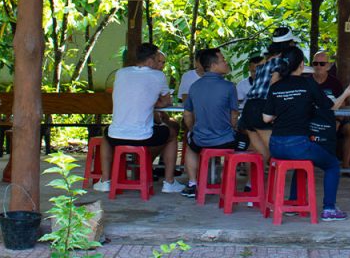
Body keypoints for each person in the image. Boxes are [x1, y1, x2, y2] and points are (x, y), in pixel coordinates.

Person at [262, 46, 350, 221]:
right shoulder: (308, 83)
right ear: (301, 65)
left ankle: (293, 203)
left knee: (301, 163)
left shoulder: (276, 86)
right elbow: (330, 107)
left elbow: (266, 118)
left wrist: (285, 110)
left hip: (275, 146)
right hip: (298, 145)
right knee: (332, 165)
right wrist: (346, 94)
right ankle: (329, 209)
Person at [94, 43, 181, 193]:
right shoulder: (158, 75)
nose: (158, 64)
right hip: (143, 137)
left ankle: (105, 180)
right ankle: (169, 182)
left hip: (116, 138)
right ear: (150, 60)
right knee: (172, 132)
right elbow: (166, 102)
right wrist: (154, 101)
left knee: (107, 133)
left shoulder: (121, 73)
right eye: (157, 60)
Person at [180, 48, 244, 198]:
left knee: (190, 145)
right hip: (226, 141)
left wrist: (192, 130)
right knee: (249, 140)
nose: (226, 62)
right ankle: (240, 183)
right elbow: (234, 114)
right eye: (223, 60)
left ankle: (192, 183)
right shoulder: (229, 87)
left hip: (201, 140)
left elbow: (187, 114)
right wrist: (232, 128)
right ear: (214, 65)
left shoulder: (194, 87)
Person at [239, 27, 296, 164]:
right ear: (289, 44)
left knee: (258, 153)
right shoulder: (282, 63)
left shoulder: (265, 62)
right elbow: (274, 83)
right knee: (275, 150)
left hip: (249, 108)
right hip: (263, 107)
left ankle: (251, 184)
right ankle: (274, 184)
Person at [309, 49, 350, 170]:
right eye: (315, 63)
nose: (318, 66)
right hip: (312, 121)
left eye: (322, 63)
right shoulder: (306, 81)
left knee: (349, 129)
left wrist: (338, 121)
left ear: (329, 66)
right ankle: (306, 166)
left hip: (332, 119)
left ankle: (345, 166)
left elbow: (342, 104)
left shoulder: (334, 82)